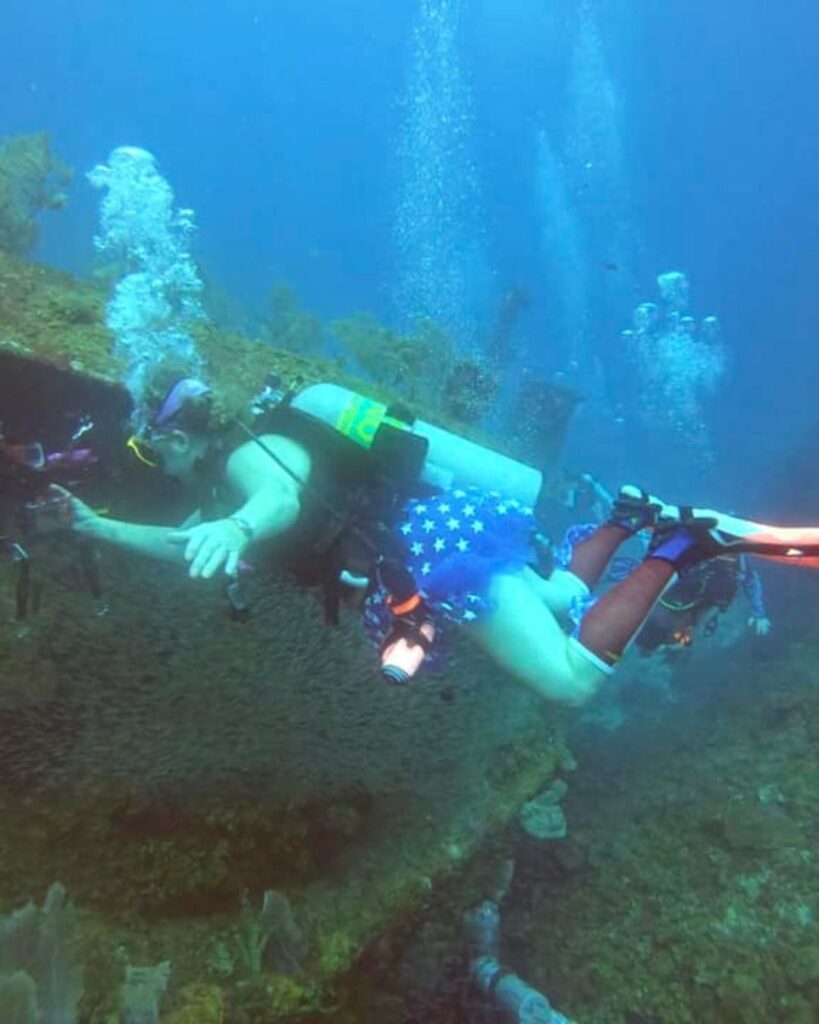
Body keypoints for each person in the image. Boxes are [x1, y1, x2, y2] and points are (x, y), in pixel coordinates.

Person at [53, 369, 819, 707]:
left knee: (568, 683)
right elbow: (181, 544)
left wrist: (237, 522)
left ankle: (686, 544)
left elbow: (280, 496)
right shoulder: (235, 472)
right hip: (434, 532)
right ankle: (625, 515)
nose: (158, 466)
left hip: (427, 554)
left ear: (180, 435)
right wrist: (96, 527)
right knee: (560, 595)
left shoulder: (250, 457)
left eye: (152, 450)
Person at [634, 551, 771, 658]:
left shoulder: (705, 583)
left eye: (682, 637)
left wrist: (758, 612)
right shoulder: (678, 605)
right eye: (684, 639)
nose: (688, 637)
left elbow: (749, 578)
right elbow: (748, 578)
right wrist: (758, 612)